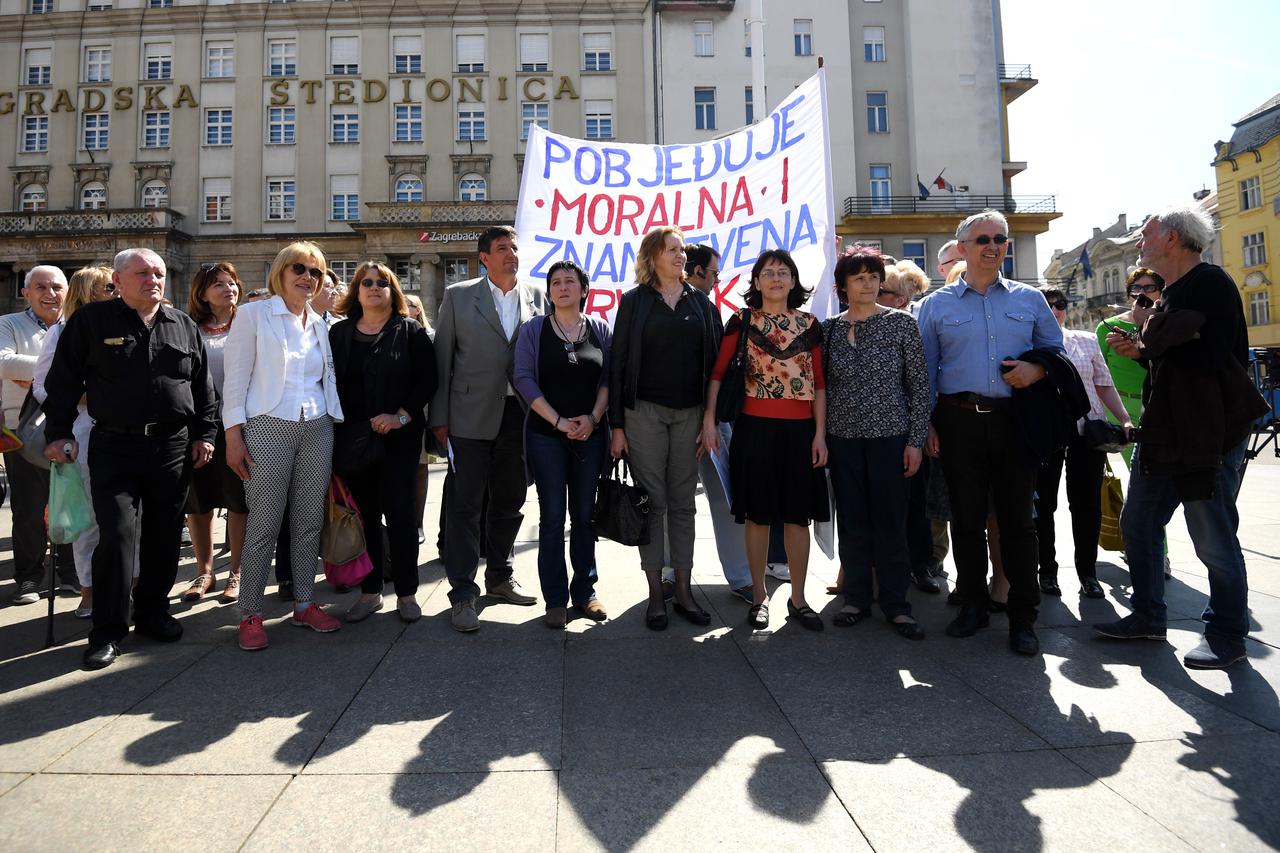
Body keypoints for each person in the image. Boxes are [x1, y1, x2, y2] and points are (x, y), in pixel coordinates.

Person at [1094, 206, 1266, 669]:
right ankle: (1148, 615)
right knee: (1138, 523)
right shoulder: (1171, 292)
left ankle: (1228, 633)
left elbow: (1206, 357)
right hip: (1167, 431)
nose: (1139, 244)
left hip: (1206, 436)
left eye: (1146, 235)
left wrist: (1150, 337)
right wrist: (1146, 348)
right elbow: (1177, 357)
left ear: (1172, 238)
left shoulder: (1209, 283)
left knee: (1212, 536)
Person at [44, 248, 219, 670]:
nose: (153, 280)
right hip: (114, 446)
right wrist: (59, 434)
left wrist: (205, 434)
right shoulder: (92, 322)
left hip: (172, 448)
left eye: (158, 273)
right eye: (142, 273)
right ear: (118, 281)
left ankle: (153, 613)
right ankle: (107, 631)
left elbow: (202, 387)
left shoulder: (182, 325)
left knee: (163, 536)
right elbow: (63, 382)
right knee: (118, 536)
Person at [916, 210, 1064, 656]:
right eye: (982, 239)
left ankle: (1023, 617)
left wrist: (1035, 368)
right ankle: (973, 606)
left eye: (1000, 238)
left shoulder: (1029, 299)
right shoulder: (936, 305)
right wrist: (924, 425)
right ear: (962, 249)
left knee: (1019, 522)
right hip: (958, 421)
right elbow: (922, 372)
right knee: (966, 519)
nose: (993, 245)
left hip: (1014, 421)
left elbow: (1055, 352)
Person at [222, 242, 345, 651]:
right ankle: (251, 612)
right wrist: (233, 434)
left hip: (316, 426)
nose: (307, 277)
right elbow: (235, 380)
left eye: (315, 271)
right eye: (299, 268)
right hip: (267, 425)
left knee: (310, 520)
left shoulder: (322, 323)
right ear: (280, 271)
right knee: (264, 522)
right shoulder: (254, 315)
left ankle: (305, 603)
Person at [702, 249, 828, 631]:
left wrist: (820, 435)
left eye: (783, 272)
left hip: (801, 433)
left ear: (793, 281)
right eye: (768, 273)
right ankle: (759, 597)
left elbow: (820, 384)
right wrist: (709, 418)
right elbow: (719, 374)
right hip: (753, 432)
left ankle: (800, 599)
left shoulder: (810, 325)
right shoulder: (741, 322)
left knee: (796, 517)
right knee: (756, 517)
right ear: (756, 282)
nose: (776, 278)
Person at [430, 225, 546, 632]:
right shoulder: (460, 297)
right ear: (484, 257)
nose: (511, 253)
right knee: (465, 505)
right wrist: (439, 417)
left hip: (521, 417)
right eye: (501, 248)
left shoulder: (537, 296)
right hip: (468, 416)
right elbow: (442, 358)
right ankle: (463, 592)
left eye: (514, 246)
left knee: (511, 500)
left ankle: (500, 574)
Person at [610, 226, 721, 630]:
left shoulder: (703, 304)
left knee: (684, 505)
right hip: (644, 415)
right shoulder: (634, 302)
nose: (680, 256)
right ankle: (656, 593)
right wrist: (617, 426)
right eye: (672, 250)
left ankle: (685, 591)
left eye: (682, 251)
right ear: (653, 255)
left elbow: (716, 371)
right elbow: (618, 364)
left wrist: (709, 420)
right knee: (652, 504)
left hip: (690, 415)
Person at [821, 249, 930, 638]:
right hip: (843, 439)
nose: (868, 283)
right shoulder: (829, 329)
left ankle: (897, 605)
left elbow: (919, 387)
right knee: (852, 522)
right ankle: (855, 599)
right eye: (858, 277)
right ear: (844, 286)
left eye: (873, 276)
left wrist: (915, 441)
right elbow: (823, 389)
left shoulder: (901, 325)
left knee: (890, 522)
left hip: (891, 438)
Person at [330, 262, 437, 623]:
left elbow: (427, 381)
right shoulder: (339, 334)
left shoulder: (410, 332)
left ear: (393, 292)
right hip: (354, 440)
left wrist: (400, 417)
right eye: (366, 283)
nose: (374, 288)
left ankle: (407, 594)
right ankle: (371, 591)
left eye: (382, 283)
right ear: (356, 292)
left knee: (401, 516)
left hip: (400, 440)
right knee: (366, 518)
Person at [513, 260, 611, 628]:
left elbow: (609, 378)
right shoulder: (534, 330)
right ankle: (555, 599)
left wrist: (593, 418)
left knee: (584, 517)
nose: (562, 287)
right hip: (546, 437)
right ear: (549, 291)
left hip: (590, 435)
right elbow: (523, 378)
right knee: (552, 518)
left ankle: (585, 592)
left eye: (570, 281)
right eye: (556, 282)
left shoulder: (600, 328)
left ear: (584, 289)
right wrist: (557, 421)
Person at [1033, 286, 1131, 600]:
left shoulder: (1086, 340)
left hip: (1088, 431)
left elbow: (1104, 384)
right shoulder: (1028, 343)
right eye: (1048, 305)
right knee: (1043, 504)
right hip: (1047, 432)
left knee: (1086, 504)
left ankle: (1088, 574)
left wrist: (1125, 419)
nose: (1056, 309)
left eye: (1060, 304)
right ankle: (1046, 571)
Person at [32, 265, 119, 618]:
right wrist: (84, 397)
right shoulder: (63, 331)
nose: (116, 290)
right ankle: (90, 591)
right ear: (88, 292)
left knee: (132, 520)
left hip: (125, 433)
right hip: (83, 433)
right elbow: (44, 386)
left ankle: (129, 586)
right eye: (108, 286)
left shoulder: (127, 326)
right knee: (90, 520)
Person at [682, 243, 753, 603]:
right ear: (696, 271)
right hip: (680, 421)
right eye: (713, 273)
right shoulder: (658, 305)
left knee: (726, 497)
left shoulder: (707, 308)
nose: (716, 280)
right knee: (677, 502)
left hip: (711, 421)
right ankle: (674, 574)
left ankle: (741, 575)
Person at [1, 265, 75, 604]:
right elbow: (3, 362)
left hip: (71, 429)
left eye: (57, 287)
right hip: (22, 431)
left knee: (70, 505)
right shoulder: (8, 324)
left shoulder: (76, 324)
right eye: (41, 287)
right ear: (25, 292)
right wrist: (55, 371)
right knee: (28, 509)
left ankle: (70, 574)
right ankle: (29, 578)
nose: (51, 294)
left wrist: (32, 373)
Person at [181, 262, 249, 603]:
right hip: (200, 427)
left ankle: (237, 572)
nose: (229, 289)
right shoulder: (189, 328)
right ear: (202, 294)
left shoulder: (250, 323)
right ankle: (204, 572)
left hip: (242, 425)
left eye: (232, 282)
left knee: (239, 501)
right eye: (219, 284)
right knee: (200, 501)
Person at [878, 260, 942, 595]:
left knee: (916, 503)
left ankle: (921, 566)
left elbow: (924, 384)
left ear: (901, 299)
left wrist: (924, 427)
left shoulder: (919, 325)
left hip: (912, 428)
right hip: (877, 429)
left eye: (883, 291)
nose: (874, 293)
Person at [1097, 268, 1164, 468]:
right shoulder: (1108, 327)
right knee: (1138, 468)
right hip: (1121, 407)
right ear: (1128, 297)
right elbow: (1098, 372)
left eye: (1150, 287)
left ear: (1161, 294)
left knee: (1154, 470)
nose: (1142, 293)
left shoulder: (1166, 324)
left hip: (1156, 406)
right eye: (1136, 288)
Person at [404, 292, 433, 545]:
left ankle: (418, 522)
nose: (405, 307)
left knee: (420, 468)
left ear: (418, 310)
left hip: (422, 413)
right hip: (396, 412)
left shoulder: (429, 336)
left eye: (410, 304)